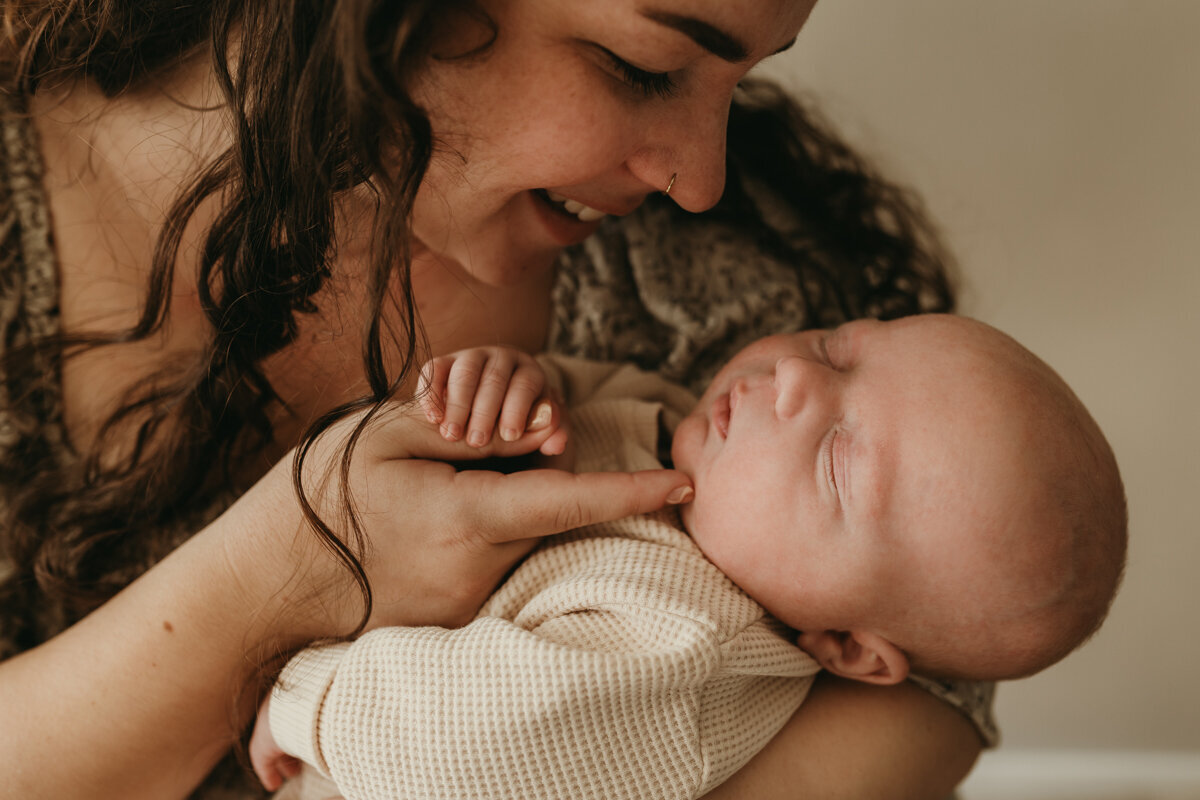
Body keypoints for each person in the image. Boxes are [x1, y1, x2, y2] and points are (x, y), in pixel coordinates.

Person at [0, 2, 993, 798]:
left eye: (741, 77)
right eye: (645, 65)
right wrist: (297, 561)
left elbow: (946, 641)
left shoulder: (730, 295)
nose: (700, 176)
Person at [247, 314, 1126, 800]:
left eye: (834, 459)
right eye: (841, 347)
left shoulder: (683, 644)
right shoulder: (682, 436)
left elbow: (456, 750)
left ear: (847, 646)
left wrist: (304, 696)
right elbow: (588, 405)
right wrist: (523, 387)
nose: (796, 380)